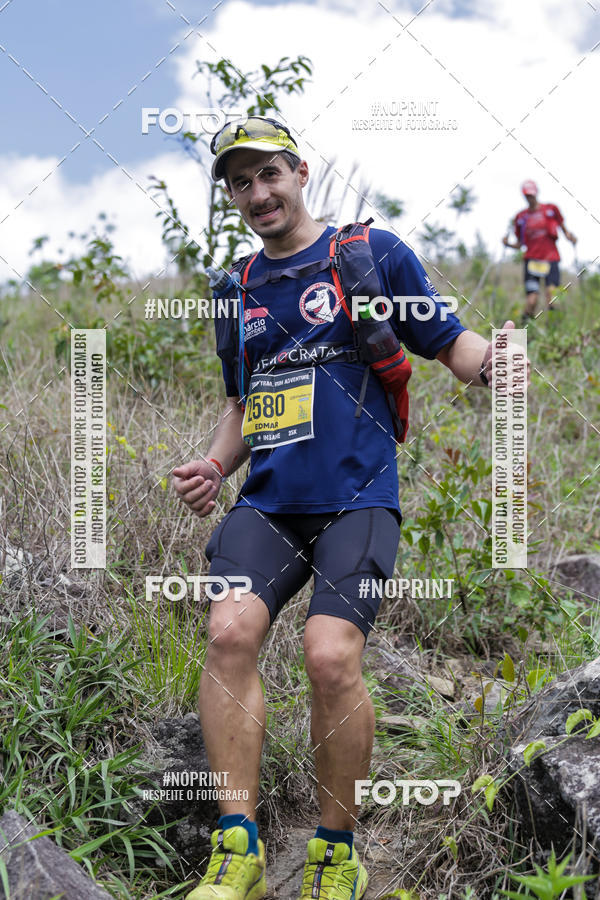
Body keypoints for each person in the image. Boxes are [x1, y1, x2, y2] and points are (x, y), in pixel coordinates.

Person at [173, 116, 524, 900]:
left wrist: (495, 364)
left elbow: (451, 342)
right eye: (240, 182)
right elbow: (240, 406)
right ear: (230, 196)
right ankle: (238, 851)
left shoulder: (369, 256)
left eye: (270, 174)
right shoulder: (235, 290)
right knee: (229, 629)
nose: (258, 193)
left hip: (358, 501)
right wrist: (212, 464)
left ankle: (335, 851)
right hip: (269, 505)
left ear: (299, 171)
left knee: (330, 656)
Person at [503, 179, 576, 322]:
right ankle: (525, 329)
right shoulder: (521, 217)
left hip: (551, 259)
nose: (530, 198)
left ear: (536, 194)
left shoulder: (551, 210)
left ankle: (553, 333)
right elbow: (519, 244)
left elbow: (565, 231)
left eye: (531, 194)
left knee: (552, 298)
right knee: (532, 300)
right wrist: (508, 244)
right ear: (524, 196)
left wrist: (570, 237)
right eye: (527, 195)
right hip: (532, 261)